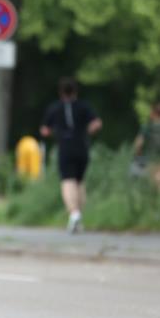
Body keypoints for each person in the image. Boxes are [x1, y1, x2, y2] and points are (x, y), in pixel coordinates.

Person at [40, 77, 102, 234]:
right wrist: (88, 131)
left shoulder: (55, 108)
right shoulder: (83, 106)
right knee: (80, 182)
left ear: (61, 92)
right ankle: (78, 218)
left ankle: (74, 214)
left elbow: (44, 130)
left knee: (68, 181)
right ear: (75, 91)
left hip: (65, 148)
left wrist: (55, 133)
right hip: (82, 147)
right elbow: (97, 123)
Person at [133, 101, 160, 189]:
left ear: (154, 113)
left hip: (151, 160)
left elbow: (138, 144)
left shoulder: (147, 127)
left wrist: (138, 155)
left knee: (153, 188)